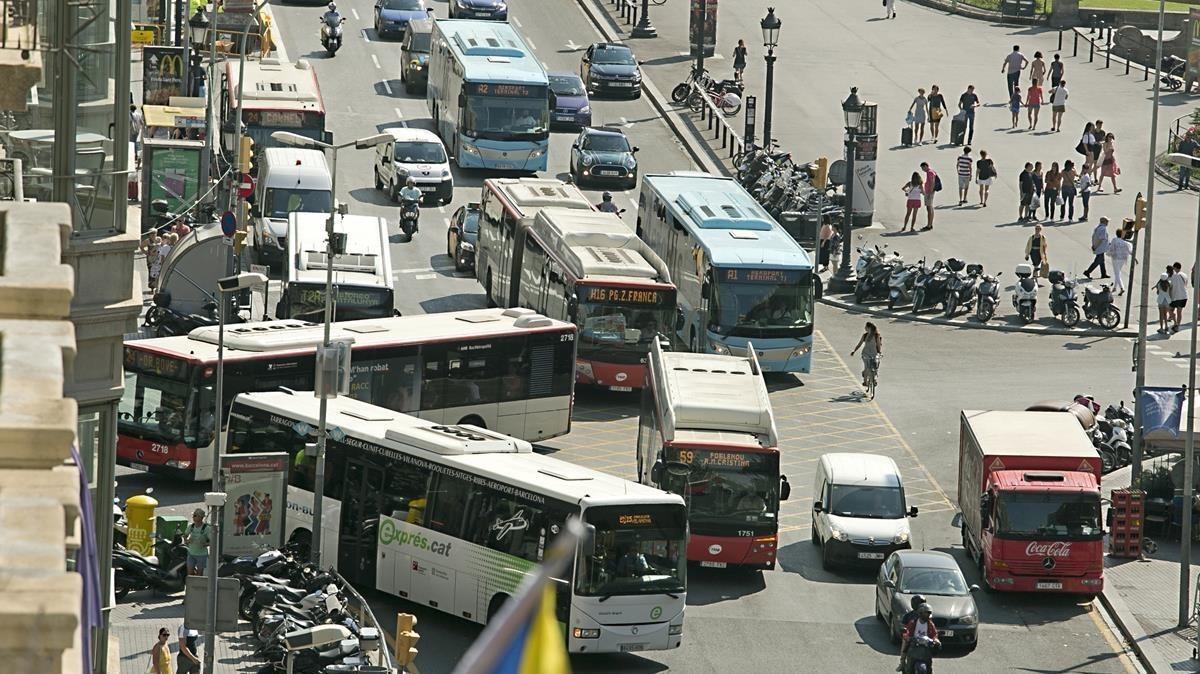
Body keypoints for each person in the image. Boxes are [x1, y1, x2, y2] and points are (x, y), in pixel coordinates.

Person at [898, 604, 940, 674]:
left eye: (929, 613)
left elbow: (934, 634)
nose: (927, 615)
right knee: (908, 664)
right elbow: (907, 632)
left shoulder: (930, 624)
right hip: (913, 646)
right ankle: (902, 665)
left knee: (929, 667)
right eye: (926, 613)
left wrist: (935, 640)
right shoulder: (913, 622)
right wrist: (906, 636)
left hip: (926, 648)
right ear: (921, 613)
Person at [850, 322, 882, 389]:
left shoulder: (877, 335)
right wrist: (854, 351)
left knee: (875, 366)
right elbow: (860, 344)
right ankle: (865, 382)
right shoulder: (865, 335)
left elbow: (878, 345)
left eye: (866, 327)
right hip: (866, 353)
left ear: (869, 328)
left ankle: (873, 378)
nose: (865, 328)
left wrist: (879, 352)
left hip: (874, 353)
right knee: (867, 367)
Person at [184, 508, 211, 576]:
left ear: (201, 517)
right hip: (191, 553)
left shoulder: (206, 528)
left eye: (195, 515)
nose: (193, 517)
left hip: (201, 555)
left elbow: (213, 541)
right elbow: (185, 535)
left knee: (199, 574)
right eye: (193, 515)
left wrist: (205, 544)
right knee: (189, 573)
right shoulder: (191, 527)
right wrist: (186, 540)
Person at [1108, 232, 1133, 296]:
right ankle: (1115, 288)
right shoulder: (1126, 243)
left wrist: (1109, 252)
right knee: (1118, 273)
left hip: (1115, 258)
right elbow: (1130, 251)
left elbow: (1111, 248)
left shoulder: (1115, 240)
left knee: (1117, 274)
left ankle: (1122, 288)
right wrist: (1134, 258)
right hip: (1123, 259)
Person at [1171, 261, 1190, 332]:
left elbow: (1172, 286)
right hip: (1184, 296)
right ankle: (1178, 326)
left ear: (1175, 267)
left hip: (1176, 296)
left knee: (1170, 309)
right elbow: (1186, 284)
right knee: (1179, 312)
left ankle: (1175, 323)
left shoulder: (1174, 276)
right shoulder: (1184, 275)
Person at [921, 162, 938, 231]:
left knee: (929, 208)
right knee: (930, 208)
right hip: (929, 191)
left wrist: (930, 192)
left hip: (929, 192)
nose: (922, 170)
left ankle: (929, 225)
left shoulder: (929, 172)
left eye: (923, 168)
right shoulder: (932, 171)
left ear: (926, 166)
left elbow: (932, 182)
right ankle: (930, 224)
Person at [131, 104, 145, 168]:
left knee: (132, 143)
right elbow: (142, 123)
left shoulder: (131, 114)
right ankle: (136, 155)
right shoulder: (139, 115)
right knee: (135, 143)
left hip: (131, 131)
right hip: (137, 131)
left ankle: (134, 155)